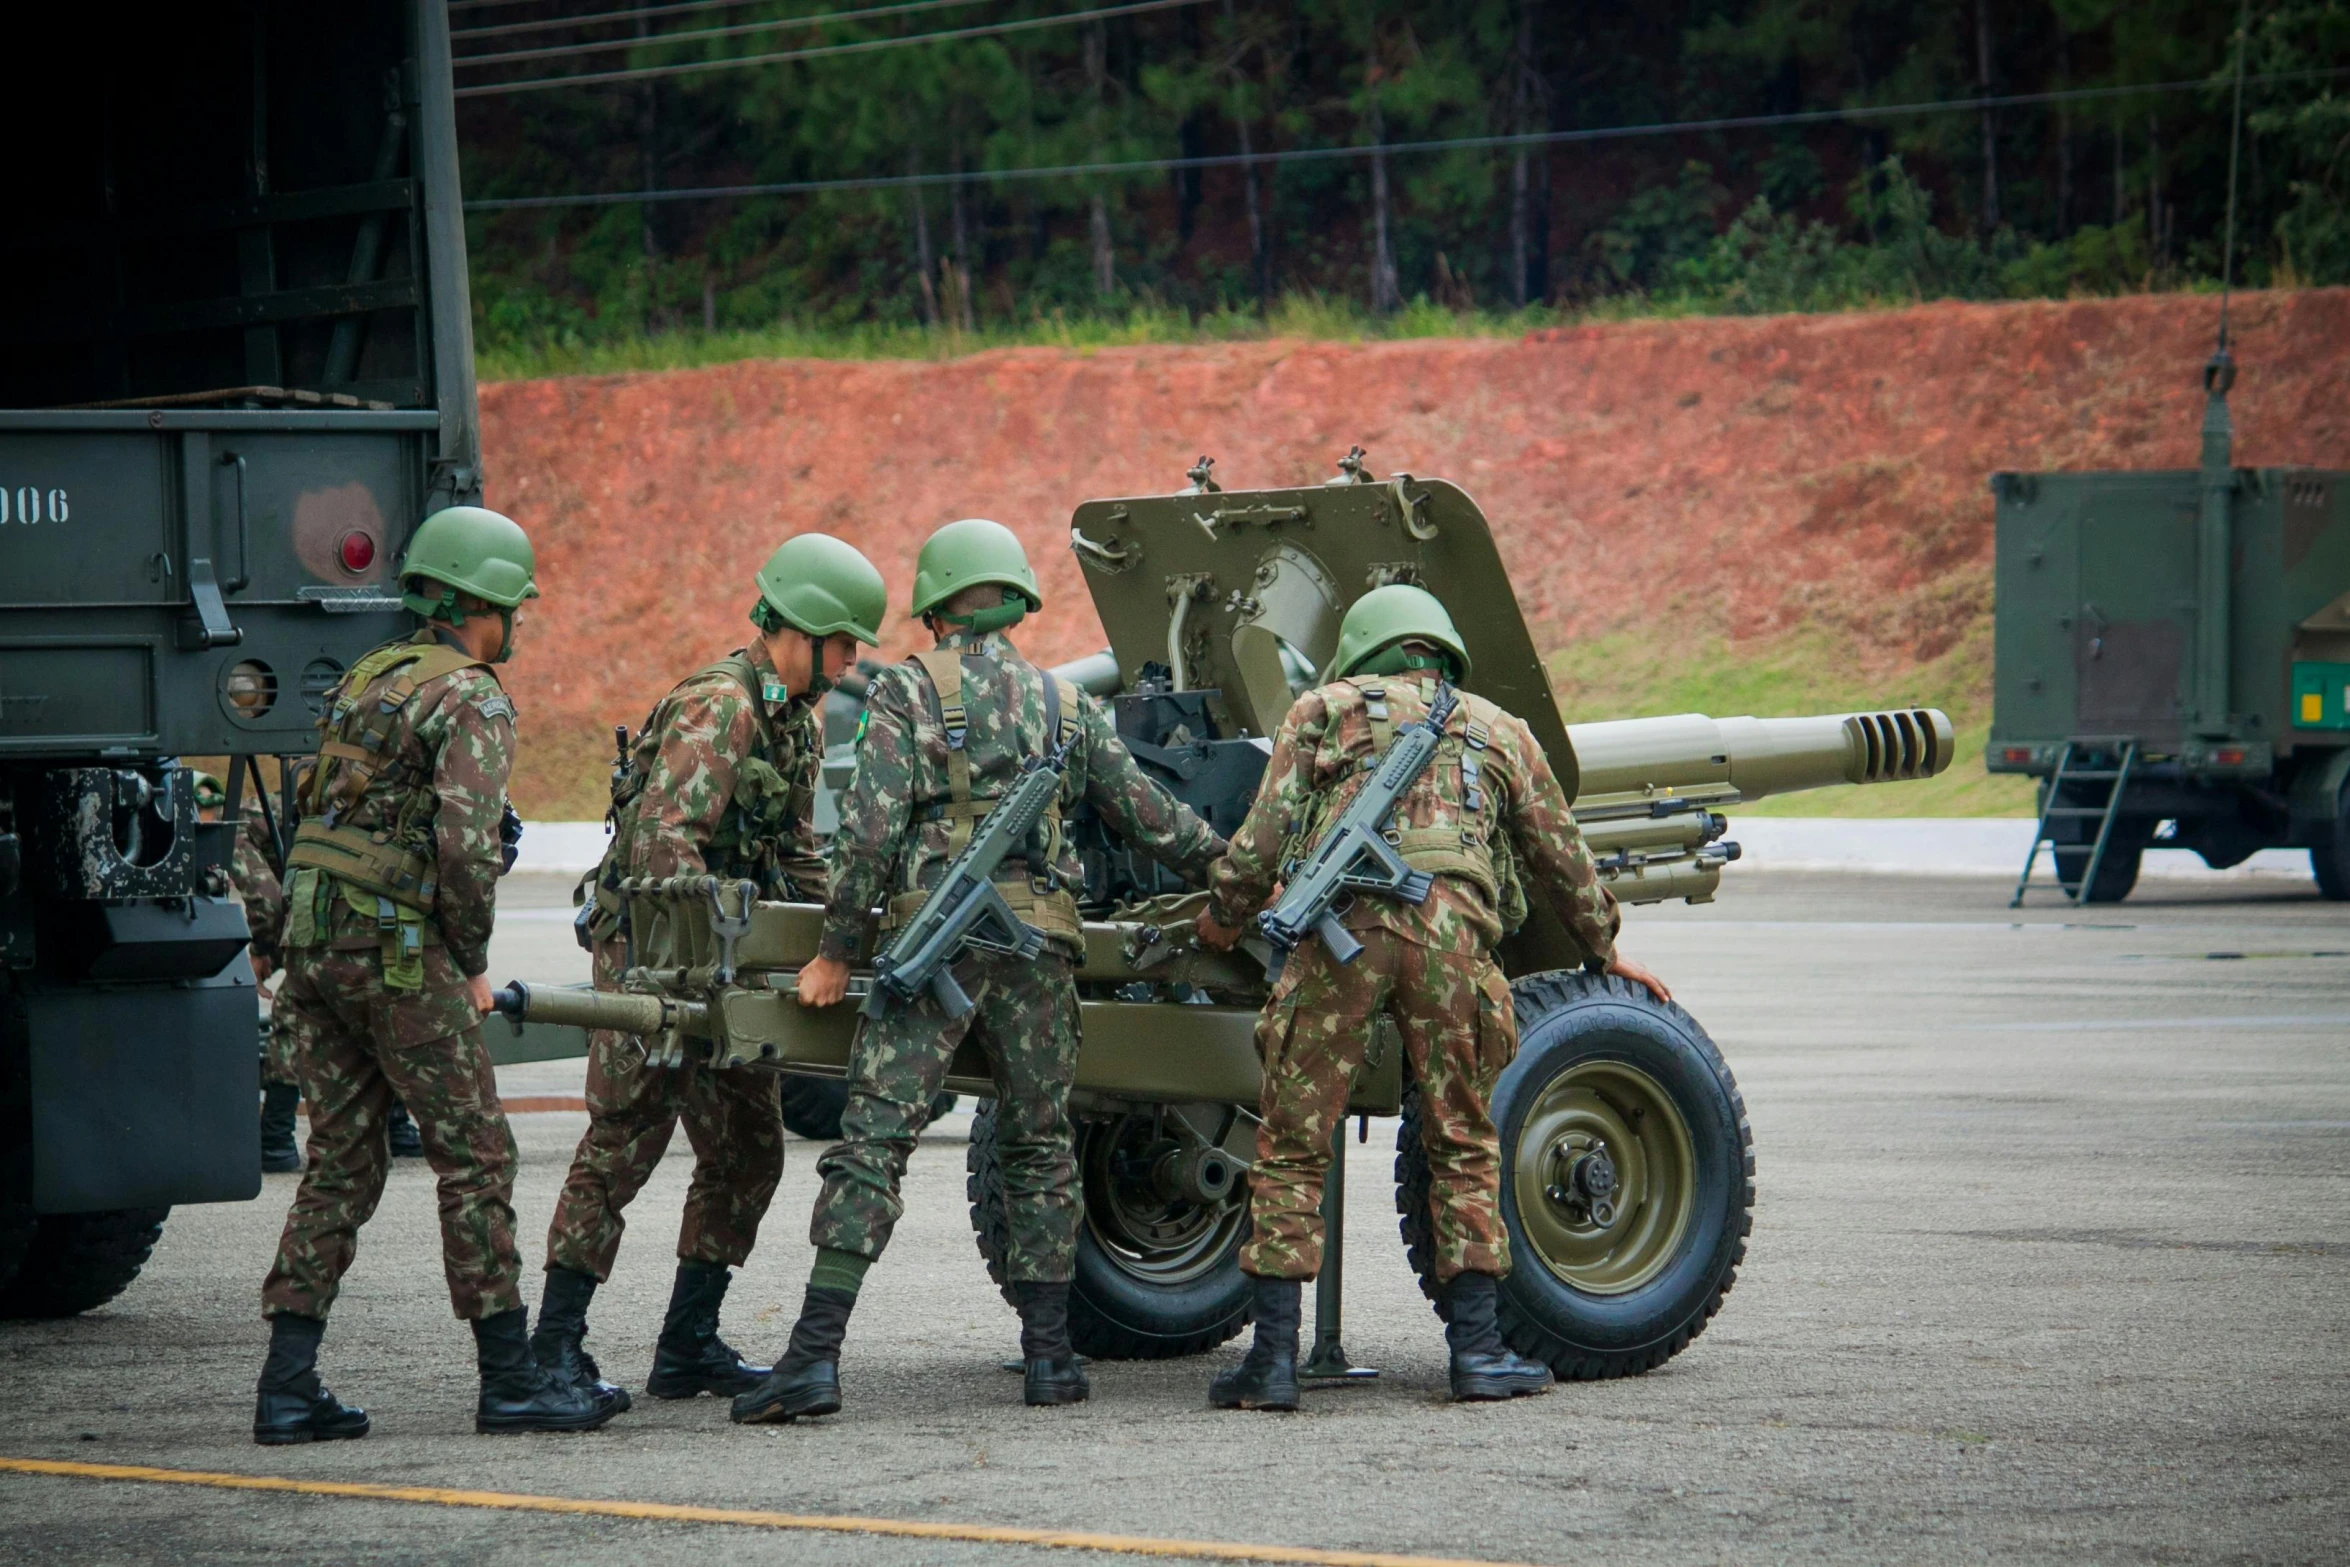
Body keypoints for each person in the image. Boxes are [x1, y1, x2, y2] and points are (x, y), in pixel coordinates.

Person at [731, 518, 1227, 1424]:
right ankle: (1049, 1359)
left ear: (934, 606)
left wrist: (838, 949)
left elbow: (870, 834)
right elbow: (1149, 816)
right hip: (1039, 955)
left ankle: (813, 1358)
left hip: (935, 950)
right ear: (1014, 603)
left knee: (874, 1144)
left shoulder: (908, 695)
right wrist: (1233, 872)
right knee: (1041, 1147)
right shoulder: (1064, 706)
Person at [1192, 584, 1672, 1410]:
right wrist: (1605, 946)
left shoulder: (1321, 710)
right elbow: (1561, 853)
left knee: (1293, 1143)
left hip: (1338, 934)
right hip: (1454, 942)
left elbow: (1261, 838)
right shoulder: (1498, 728)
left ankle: (1273, 1360)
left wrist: (1223, 917)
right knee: (1462, 1137)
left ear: (1362, 651)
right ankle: (1478, 1352)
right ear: (1441, 650)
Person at [253, 504, 616, 1443]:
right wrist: (471, 961)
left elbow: (318, 811)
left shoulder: (370, 677)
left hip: (317, 942)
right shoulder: (475, 697)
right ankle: (509, 1379)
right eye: (514, 603)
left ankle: (287, 1385)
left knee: (340, 1159)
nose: (519, 622)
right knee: (476, 1154)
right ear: (482, 599)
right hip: (399, 952)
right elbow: (462, 843)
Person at [533, 533, 888, 1411]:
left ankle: (687, 1342)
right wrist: (693, 978)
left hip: (718, 956)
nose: (849, 667)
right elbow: (661, 845)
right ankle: (551, 1349)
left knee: (749, 1150)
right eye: (844, 646)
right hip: (657, 948)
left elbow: (797, 855)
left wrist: (850, 934)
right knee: (625, 1138)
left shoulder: (791, 723)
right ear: (799, 630)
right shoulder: (722, 707)